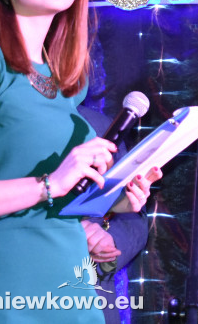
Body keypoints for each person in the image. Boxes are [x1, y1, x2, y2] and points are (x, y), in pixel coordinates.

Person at [0, 0, 161, 323]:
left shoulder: (63, 84)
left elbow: (50, 196)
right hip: (4, 286)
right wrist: (49, 184)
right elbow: (44, 187)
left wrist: (115, 199)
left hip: (70, 288)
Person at [78, 104, 150, 324]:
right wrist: (69, 234)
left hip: (90, 296)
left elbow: (133, 222)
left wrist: (107, 244)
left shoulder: (101, 126)